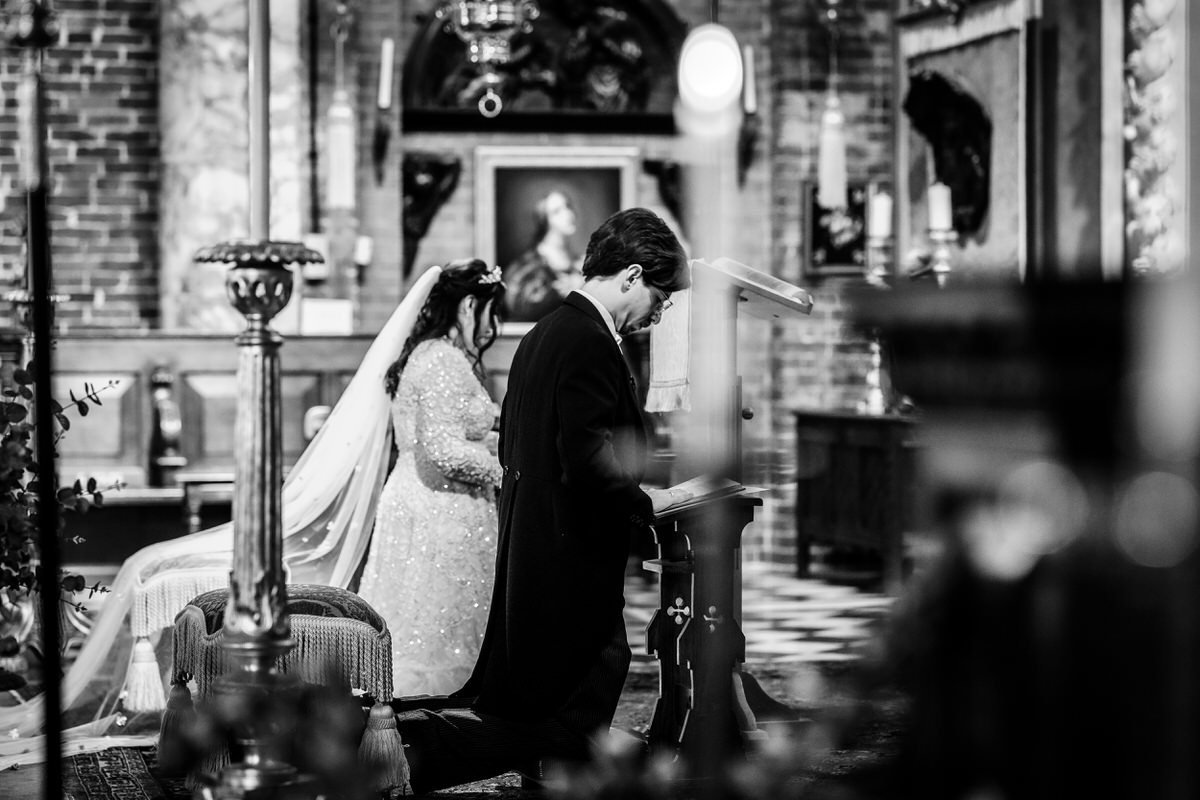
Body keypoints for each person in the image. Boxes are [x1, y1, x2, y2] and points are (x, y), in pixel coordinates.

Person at [0, 264, 461, 752]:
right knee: (160, 563)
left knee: (162, 561)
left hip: (407, 507)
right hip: (413, 503)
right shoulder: (435, 365)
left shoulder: (420, 366)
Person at [390, 207, 691, 793]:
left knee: (554, 699)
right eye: (660, 292)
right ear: (631, 276)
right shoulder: (587, 342)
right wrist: (648, 503)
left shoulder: (544, 334)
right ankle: (416, 752)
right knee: (578, 699)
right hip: (570, 555)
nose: (662, 308)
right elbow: (585, 460)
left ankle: (539, 770)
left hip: (538, 545)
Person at [357, 259, 505, 696]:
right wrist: (508, 472)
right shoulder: (442, 360)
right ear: (469, 305)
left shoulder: (427, 354)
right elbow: (443, 451)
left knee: (416, 622)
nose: (492, 326)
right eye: (491, 313)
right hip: (441, 509)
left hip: (418, 497)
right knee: (434, 634)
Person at [503, 189, 585, 322]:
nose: (568, 214)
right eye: (557, 211)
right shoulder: (530, 266)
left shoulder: (580, 262)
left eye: (568, 206)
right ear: (545, 221)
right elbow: (520, 308)